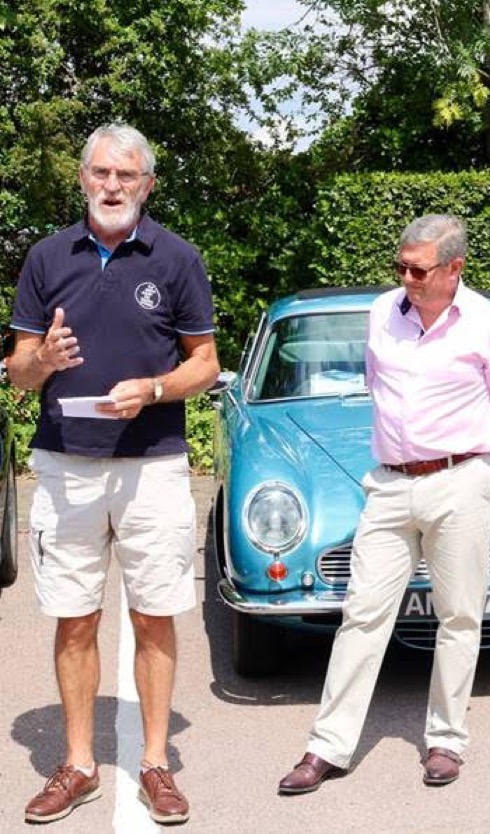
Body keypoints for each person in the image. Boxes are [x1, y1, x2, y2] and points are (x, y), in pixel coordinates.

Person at [8, 124, 220, 825]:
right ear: (82, 178)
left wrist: (155, 389)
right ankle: (78, 765)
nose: (112, 185)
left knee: (154, 615)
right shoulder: (46, 257)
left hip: (153, 465)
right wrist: (43, 361)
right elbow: (18, 372)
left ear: (147, 185)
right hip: (66, 464)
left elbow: (205, 364)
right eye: (101, 172)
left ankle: (155, 763)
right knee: (74, 618)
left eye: (126, 175)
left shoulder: (177, 258)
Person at [277, 215, 490, 794]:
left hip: (460, 479)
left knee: (459, 616)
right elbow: (377, 383)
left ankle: (446, 741)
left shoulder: (489, 325)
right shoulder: (381, 313)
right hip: (389, 484)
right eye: (401, 267)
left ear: (454, 268)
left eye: (418, 270)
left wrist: (482, 464)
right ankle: (327, 746)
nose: (407, 279)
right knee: (362, 614)